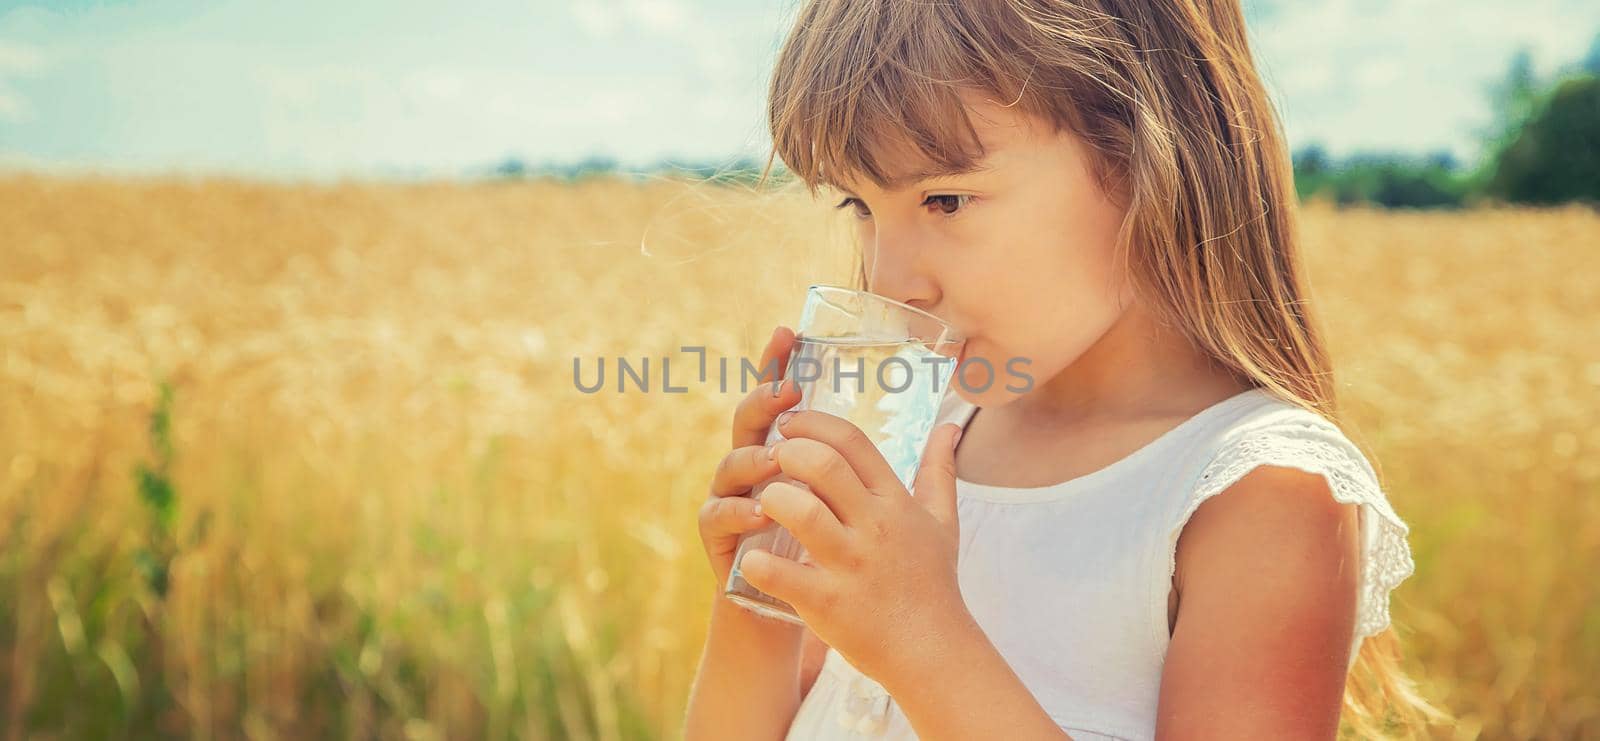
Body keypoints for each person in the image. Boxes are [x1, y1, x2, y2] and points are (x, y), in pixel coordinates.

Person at [684, 0, 1446, 738]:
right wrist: (759, 602)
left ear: (1146, 155)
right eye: (859, 205)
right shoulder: (920, 437)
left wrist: (921, 637)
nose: (889, 282)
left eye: (946, 200)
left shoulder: (1257, 491)